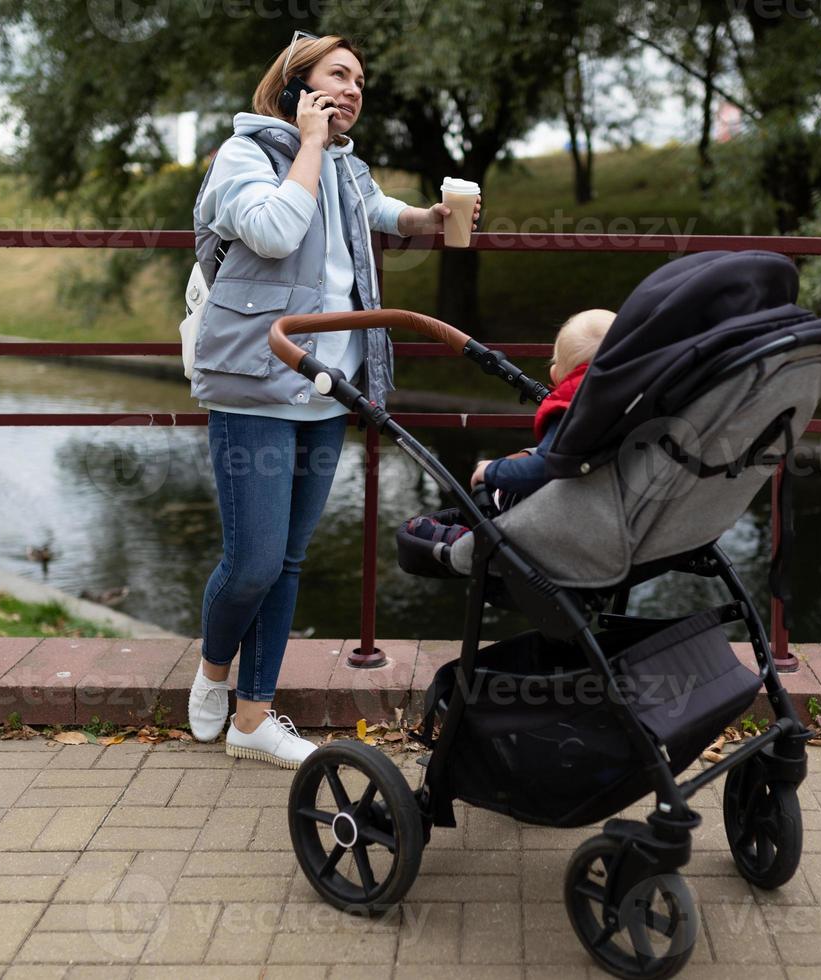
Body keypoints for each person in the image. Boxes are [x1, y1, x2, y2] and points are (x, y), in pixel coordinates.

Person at [187, 32, 482, 768]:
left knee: (286, 561)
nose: (353, 89)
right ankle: (213, 668)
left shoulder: (348, 170)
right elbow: (276, 230)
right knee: (250, 562)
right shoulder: (244, 156)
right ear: (295, 87)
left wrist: (432, 219)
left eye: (360, 80)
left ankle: (252, 718)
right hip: (256, 382)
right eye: (338, 76)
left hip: (326, 387)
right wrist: (309, 142)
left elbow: (379, 213)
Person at [470, 308, 615, 498]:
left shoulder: (573, 414)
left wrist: (491, 470)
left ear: (555, 375)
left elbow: (543, 469)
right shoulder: (633, 399)